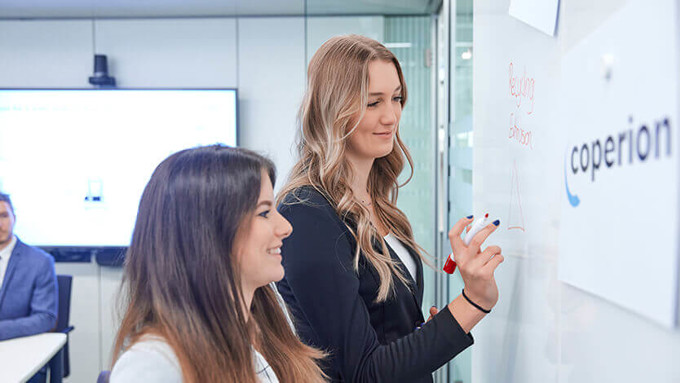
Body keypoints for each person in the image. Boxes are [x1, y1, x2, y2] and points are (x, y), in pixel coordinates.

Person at [276, 34, 505, 382]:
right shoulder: (306, 212)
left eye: (397, 98)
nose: (391, 116)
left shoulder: (378, 202)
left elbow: (386, 330)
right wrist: (473, 301)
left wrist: (425, 334)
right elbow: (365, 372)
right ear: (332, 109)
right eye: (373, 103)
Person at [110, 145, 326, 383]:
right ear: (207, 233)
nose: (286, 227)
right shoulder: (153, 364)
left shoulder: (256, 339)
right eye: (264, 212)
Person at [0, 192, 58, 342]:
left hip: (18, 347)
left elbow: (45, 318)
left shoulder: (39, 261)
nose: (0, 224)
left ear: (14, 218)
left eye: (4, 216)